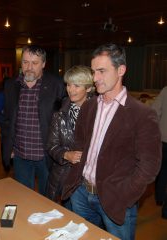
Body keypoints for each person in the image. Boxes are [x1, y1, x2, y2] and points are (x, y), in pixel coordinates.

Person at [61, 43, 161, 240]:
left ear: (121, 70)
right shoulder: (88, 107)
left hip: (115, 199)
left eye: (101, 71)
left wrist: (125, 194)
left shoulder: (142, 114)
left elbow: (149, 166)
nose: (95, 78)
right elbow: (80, 144)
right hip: (81, 193)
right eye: (93, 71)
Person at [2, 45, 66, 195]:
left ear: (43, 64)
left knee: (47, 200)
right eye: (25, 62)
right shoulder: (11, 85)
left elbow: (64, 120)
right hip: (20, 155)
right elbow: (7, 119)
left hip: (47, 155)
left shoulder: (56, 84)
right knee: (24, 198)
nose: (29, 67)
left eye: (35, 63)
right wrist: (9, 146)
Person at [46, 65, 94, 210]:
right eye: (68, 84)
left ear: (89, 88)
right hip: (65, 177)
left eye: (76, 85)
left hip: (90, 179)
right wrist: (67, 154)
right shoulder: (60, 114)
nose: (70, 89)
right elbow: (51, 146)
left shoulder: (99, 113)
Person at [152, 86, 167, 219]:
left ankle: (159, 198)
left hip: (164, 139)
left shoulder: (165, 90)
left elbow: (155, 111)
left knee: (162, 170)